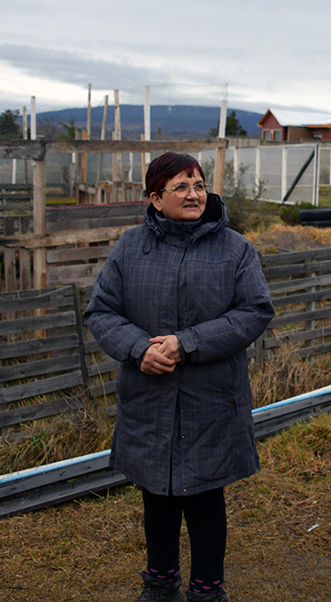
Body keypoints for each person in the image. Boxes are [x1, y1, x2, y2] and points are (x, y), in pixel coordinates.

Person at [84, 152, 274, 602]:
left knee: (206, 499)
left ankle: (208, 590)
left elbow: (254, 311)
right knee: (158, 497)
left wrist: (187, 343)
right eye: (181, 187)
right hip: (149, 396)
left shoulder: (234, 248)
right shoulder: (131, 247)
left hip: (212, 399)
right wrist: (137, 351)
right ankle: (160, 584)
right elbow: (102, 310)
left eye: (199, 185)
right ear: (155, 198)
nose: (194, 195)